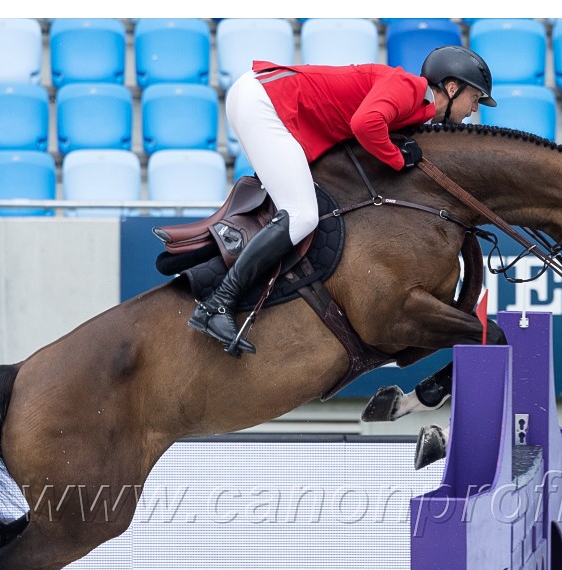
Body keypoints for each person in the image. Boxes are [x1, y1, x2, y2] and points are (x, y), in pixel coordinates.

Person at [188, 45, 497, 355]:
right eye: (474, 98)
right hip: (264, 102)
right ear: (452, 88)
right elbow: (365, 124)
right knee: (301, 215)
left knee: (302, 211)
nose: (473, 109)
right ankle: (218, 303)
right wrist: (398, 159)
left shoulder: (419, 109)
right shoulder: (409, 88)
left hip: (267, 102)